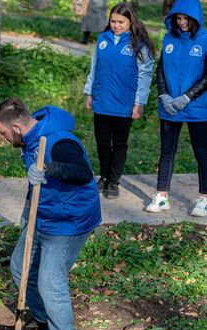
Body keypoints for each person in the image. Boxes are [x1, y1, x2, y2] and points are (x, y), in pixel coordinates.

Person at [0, 98, 101, 330]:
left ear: (16, 127)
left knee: (50, 280)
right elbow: (34, 183)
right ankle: (44, 321)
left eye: (2, 133)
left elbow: (81, 172)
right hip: (43, 215)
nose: (2, 138)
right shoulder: (29, 141)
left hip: (69, 221)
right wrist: (28, 212)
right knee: (20, 267)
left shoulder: (59, 141)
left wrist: (48, 168)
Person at [84, 3, 155, 198]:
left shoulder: (138, 44)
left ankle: (114, 182)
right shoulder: (103, 39)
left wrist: (139, 103)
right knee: (102, 143)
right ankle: (104, 177)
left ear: (131, 21)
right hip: (102, 100)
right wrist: (89, 92)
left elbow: (145, 75)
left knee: (119, 143)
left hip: (125, 103)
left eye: (121, 22)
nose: (116, 25)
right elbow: (94, 67)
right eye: (113, 21)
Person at [145, 0, 207, 217]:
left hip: (198, 108)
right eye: (178, 18)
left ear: (195, 19)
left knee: (202, 152)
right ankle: (162, 196)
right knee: (166, 151)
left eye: (186, 19)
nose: (181, 23)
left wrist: (187, 97)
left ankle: (204, 199)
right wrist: (163, 94)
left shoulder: (205, 40)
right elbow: (161, 68)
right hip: (170, 107)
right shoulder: (169, 38)